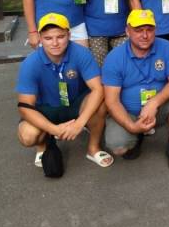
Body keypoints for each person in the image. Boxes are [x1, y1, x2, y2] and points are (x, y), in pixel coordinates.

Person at [16, 12, 113, 170]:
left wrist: (80, 123)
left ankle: (93, 148)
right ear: (40, 38)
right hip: (45, 108)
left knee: (101, 104)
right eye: (48, 38)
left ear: (69, 35)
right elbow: (25, 107)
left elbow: (98, 89)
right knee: (27, 135)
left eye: (60, 37)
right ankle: (42, 145)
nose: (55, 43)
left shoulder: (81, 53)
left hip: (75, 103)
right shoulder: (30, 63)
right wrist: (54, 129)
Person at [102, 9, 169, 170]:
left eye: (149, 30)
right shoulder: (114, 58)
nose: (145, 35)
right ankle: (137, 134)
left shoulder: (166, 47)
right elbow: (111, 101)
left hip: (158, 109)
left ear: (155, 30)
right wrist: (132, 127)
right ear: (127, 31)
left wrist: (154, 103)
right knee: (118, 147)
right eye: (138, 30)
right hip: (129, 112)